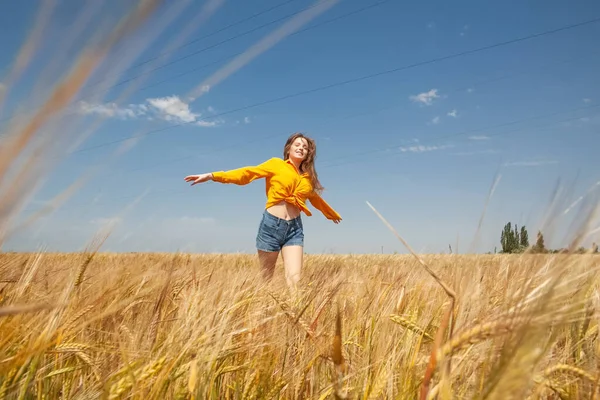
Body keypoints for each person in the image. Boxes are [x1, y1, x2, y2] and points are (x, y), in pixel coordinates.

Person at [184, 132, 341, 289]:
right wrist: (213, 175)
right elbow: (247, 173)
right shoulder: (275, 164)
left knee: (295, 282)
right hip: (271, 226)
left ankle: (294, 312)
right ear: (289, 149)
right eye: (297, 145)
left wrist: (330, 214)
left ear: (308, 154)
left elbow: (314, 198)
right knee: (266, 280)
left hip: (294, 229)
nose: (301, 148)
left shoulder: (307, 178)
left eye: (305, 147)